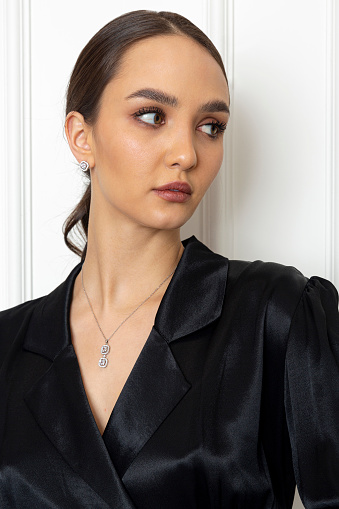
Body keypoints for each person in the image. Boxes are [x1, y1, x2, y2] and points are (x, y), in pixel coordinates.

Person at [0, 9, 338, 509]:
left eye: (210, 126)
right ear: (81, 135)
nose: (186, 152)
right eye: (153, 116)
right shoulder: (8, 346)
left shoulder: (277, 315)